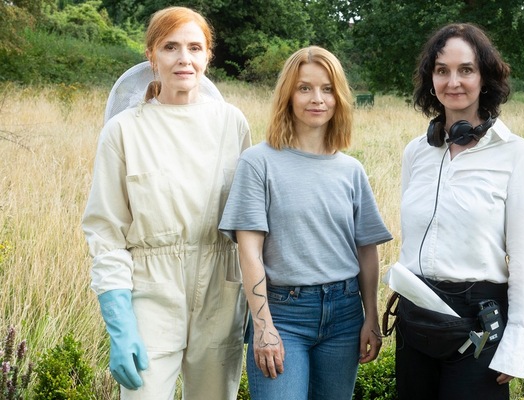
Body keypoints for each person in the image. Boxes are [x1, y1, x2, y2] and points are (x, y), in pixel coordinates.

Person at [82, 6, 251, 399]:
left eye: (195, 47)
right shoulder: (123, 130)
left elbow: (249, 221)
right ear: (151, 56)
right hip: (150, 293)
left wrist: (258, 301)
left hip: (221, 293)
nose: (183, 59)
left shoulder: (232, 123)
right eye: (170, 47)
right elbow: (106, 232)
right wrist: (120, 323)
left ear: (208, 56)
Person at [218, 45, 393, 400]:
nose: (317, 99)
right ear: (288, 95)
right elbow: (249, 251)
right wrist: (263, 327)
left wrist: (370, 317)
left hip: (344, 315)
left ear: (339, 97)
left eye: (327, 89)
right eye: (305, 88)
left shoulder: (351, 170)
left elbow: (366, 250)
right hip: (283, 313)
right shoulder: (258, 163)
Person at [393, 23, 524, 399]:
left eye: (466, 70)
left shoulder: (515, 153)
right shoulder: (416, 152)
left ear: (485, 77)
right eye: (442, 70)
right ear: (430, 78)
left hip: (479, 321)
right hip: (418, 317)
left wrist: (515, 341)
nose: (453, 81)